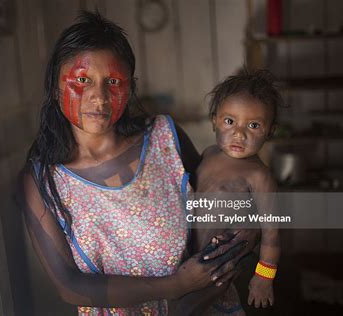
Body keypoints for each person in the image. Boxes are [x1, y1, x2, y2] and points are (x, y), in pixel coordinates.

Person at [21, 11, 258, 315]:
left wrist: (247, 227)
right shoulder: (43, 181)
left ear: (129, 87)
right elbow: (70, 286)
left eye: (113, 81)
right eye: (82, 80)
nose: (99, 96)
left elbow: (217, 205)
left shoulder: (164, 138)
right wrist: (177, 285)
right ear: (55, 88)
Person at [191, 69, 282, 312]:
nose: (239, 134)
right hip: (188, 263)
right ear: (214, 119)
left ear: (270, 131)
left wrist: (264, 277)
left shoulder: (259, 177)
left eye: (253, 126)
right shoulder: (209, 154)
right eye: (229, 121)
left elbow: (272, 235)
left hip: (223, 274)